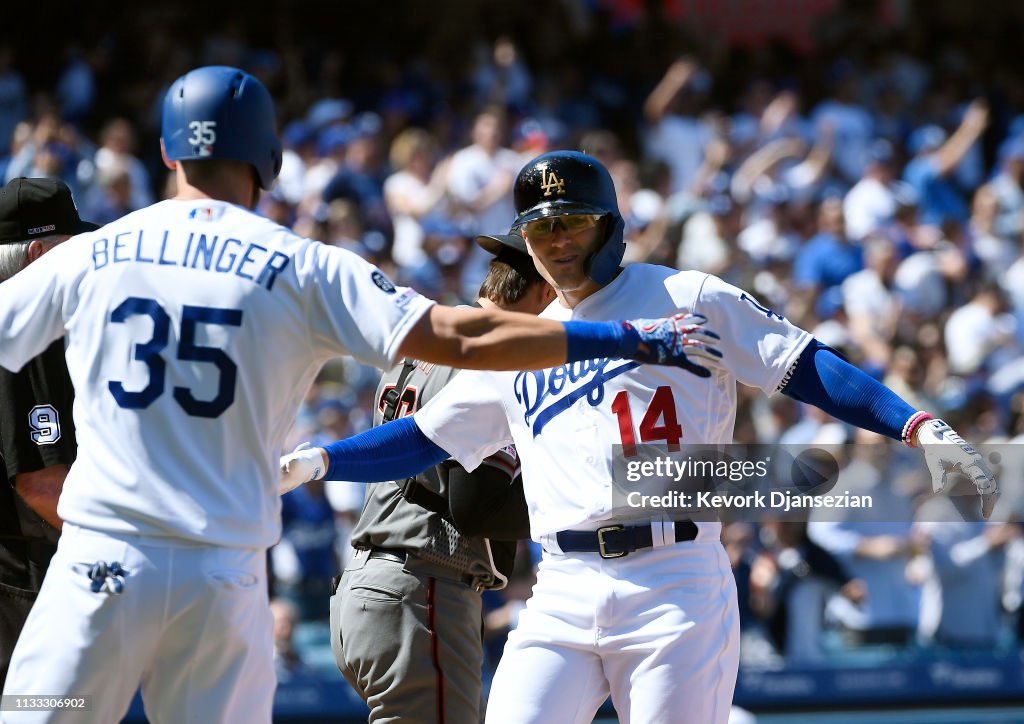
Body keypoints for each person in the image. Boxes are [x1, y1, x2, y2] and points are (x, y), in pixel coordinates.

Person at [0, 67, 712, 724]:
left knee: (36, 710)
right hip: (222, 577)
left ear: (165, 151)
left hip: (101, 558)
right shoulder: (299, 263)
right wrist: (620, 338)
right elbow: (457, 339)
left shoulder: (94, 251)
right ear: (269, 160)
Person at [282, 150, 997, 724]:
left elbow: (804, 367)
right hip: (561, 584)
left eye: (574, 223)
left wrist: (918, 425)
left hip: (674, 576)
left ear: (610, 226)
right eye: (542, 228)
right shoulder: (521, 341)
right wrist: (315, 460)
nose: (558, 240)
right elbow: (426, 439)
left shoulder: (688, 296)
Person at [329, 233, 554, 722]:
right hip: (421, 586)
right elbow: (476, 506)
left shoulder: (431, 342)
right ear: (545, 292)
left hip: (367, 587)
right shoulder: (494, 356)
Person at [0, 177, 97, 690]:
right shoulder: (26, 333)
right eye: (73, 247)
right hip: (19, 583)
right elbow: (41, 484)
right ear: (39, 254)